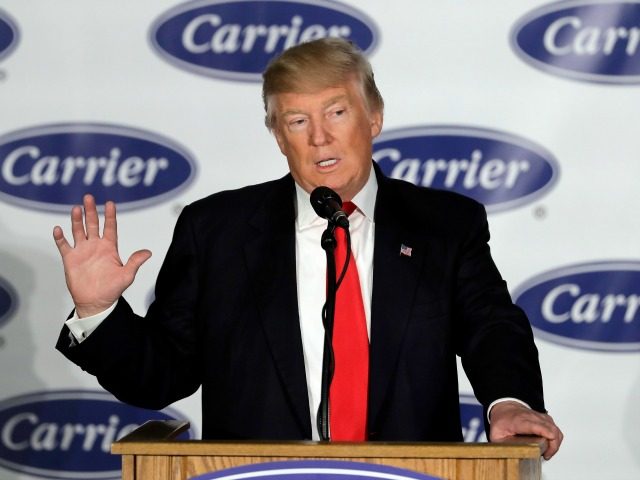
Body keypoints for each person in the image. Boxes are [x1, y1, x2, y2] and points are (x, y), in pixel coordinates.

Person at [53, 38, 563, 458]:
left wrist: (508, 402)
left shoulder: (445, 225)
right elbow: (161, 376)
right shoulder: (216, 231)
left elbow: (492, 328)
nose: (320, 137)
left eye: (337, 112)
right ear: (278, 136)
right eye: (297, 121)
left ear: (374, 118)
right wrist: (99, 312)